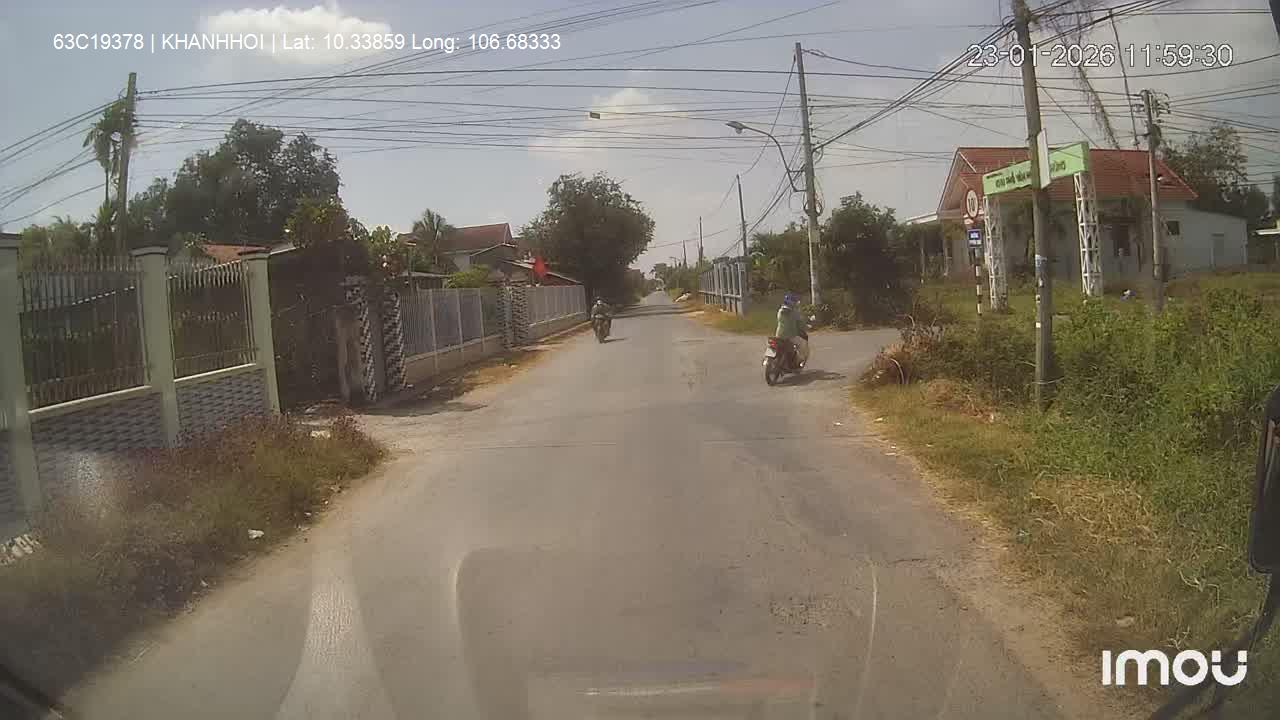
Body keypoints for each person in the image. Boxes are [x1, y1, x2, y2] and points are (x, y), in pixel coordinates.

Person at [775, 292, 809, 368]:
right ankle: (799, 361)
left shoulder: (780, 310)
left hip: (778, 335)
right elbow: (800, 323)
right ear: (792, 302)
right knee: (803, 344)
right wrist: (806, 327)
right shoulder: (793, 312)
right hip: (790, 336)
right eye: (795, 301)